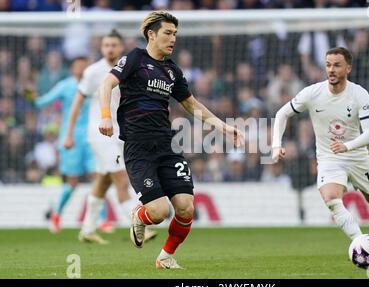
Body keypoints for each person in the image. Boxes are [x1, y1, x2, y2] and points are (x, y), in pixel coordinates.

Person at [98, 11, 243, 269]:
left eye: (175, 33)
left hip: (166, 146)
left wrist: (222, 126)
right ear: (151, 34)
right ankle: (140, 216)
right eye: (167, 32)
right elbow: (106, 85)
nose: (173, 38)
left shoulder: (172, 70)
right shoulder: (135, 59)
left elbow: (191, 104)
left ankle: (165, 256)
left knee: (186, 207)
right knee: (159, 212)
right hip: (138, 148)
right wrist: (106, 115)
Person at [271, 47, 369, 260]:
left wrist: (347, 146)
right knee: (331, 199)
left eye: (337, 65)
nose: (331, 70)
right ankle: (361, 243)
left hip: (357, 156)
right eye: (328, 65)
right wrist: (275, 145)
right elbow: (282, 114)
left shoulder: (359, 94)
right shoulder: (312, 93)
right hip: (329, 158)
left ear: (348, 68)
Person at [65, 30, 157, 244]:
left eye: (114, 45)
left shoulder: (130, 70)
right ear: (101, 47)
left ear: (121, 47)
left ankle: (87, 229)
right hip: (100, 134)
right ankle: (137, 224)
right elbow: (78, 102)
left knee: (103, 181)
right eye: (106, 45)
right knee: (121, 178)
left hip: (121, 133)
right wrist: (69, 134)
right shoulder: (94, 72)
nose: (110, 49)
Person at [34, 57, 97, 233]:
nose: (82, 69)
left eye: (85, 66)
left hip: (92, 138)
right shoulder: (66, 85)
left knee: (99, 178)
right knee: (72, 182)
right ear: (72, 69)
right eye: (78, 66)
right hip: (71, 139)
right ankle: (57, 214)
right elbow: (42, 102)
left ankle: (100, 220)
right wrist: (32, 98)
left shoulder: (95, 85)